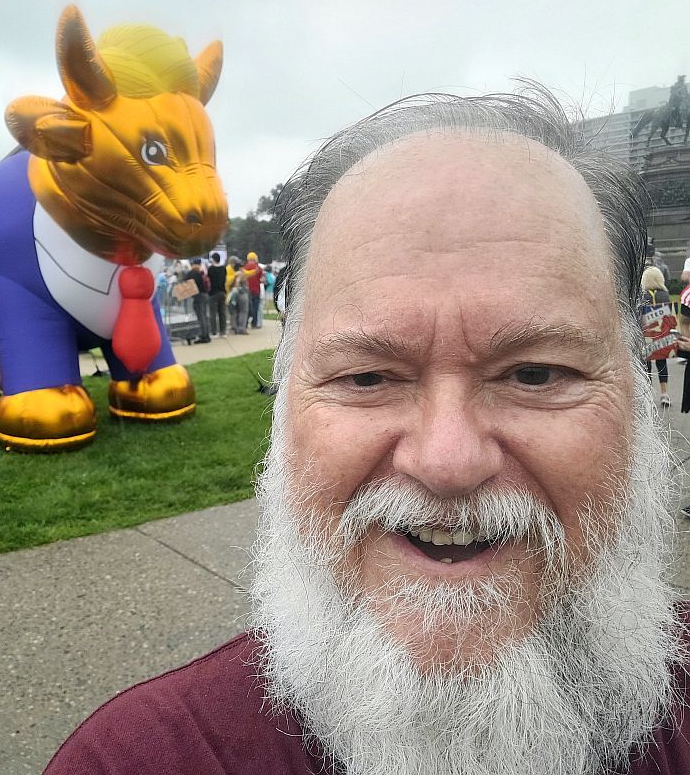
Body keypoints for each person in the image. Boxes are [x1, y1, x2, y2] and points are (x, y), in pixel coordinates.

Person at [43, 84, 690, 775]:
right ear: (284, 412)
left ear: (636, 395)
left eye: (535, 374)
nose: (447, 461)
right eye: (367, 378)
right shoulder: (137, 762)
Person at [640, 266, 672, 407]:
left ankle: (647, 396)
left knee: (646, 366)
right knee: (662, 363)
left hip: (646, 336)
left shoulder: (642, 296)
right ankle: (665, 393)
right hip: (662, 335)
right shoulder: (665, 295)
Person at [186, 258, 210, 343]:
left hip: (197, 296)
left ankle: (203, 336)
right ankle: (206, 335)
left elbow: (185, 283)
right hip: (205, 295)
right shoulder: (201, 273)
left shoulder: (191, 273)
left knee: (201, 317)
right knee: (204, 316)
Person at [207, 252, 227, 337]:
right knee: (222, 313)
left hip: (213, 293)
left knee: (213, 313)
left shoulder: (211, 269)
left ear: (213, 259)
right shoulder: (223, 268)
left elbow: (208, 280)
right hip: (222, 292)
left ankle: (214, 331)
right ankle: (223, 331)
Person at [242, 251, 264, 328]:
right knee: (255, 307)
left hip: (247, 290)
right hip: (256, 290)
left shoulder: (245, 267)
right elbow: (261, 278)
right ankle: (254, 324)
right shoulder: (258, 268)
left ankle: (245, 323)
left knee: (247, 307)